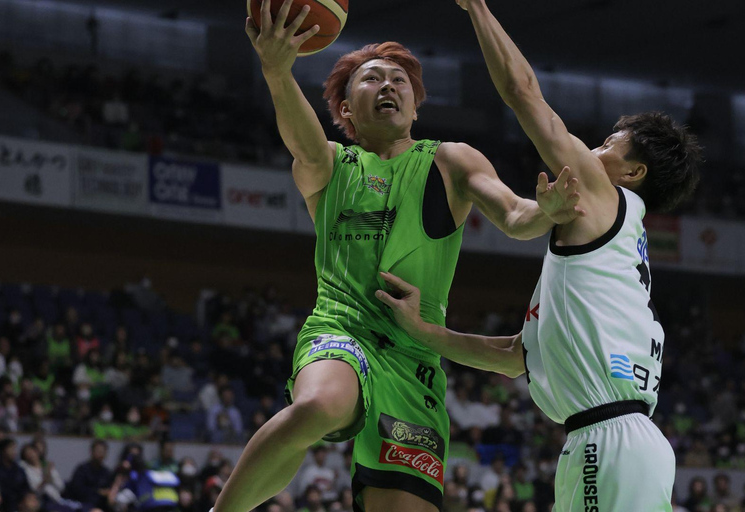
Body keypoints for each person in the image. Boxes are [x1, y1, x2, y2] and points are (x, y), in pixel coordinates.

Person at [217, 2, 582, 511]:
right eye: (370, 79)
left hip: (414, 359)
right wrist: (277, 70)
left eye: (399, 80)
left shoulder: (451, 160)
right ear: (345, 110)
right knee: (322, 404)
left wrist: (546, 213)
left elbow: (517, 219)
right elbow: (302, 144)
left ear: (415, 107)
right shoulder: (330, 165)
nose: (388, 85)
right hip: (340, 330)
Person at [374, 1, 702, 510]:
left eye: (609, 143)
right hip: (597, 440)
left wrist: (477, 8)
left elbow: (523, 94)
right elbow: (512, 358)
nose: (591, 150)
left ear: (633, 173)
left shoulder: (603, 197)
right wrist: (424, 333)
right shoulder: (601, 256)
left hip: (610, 441)